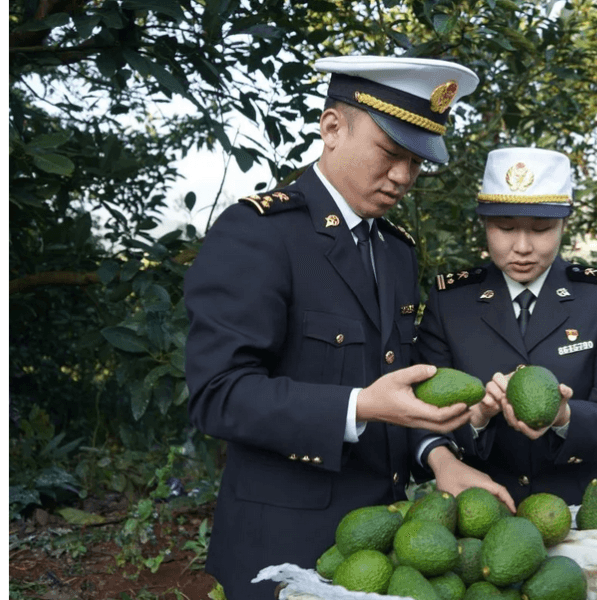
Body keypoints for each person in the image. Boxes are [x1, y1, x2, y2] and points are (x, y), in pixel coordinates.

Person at [184, 56, 513, 600]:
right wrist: (359, 406)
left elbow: (399, 391)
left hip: (383, 547)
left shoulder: (396, 253)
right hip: (284, 547)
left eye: (416, 161)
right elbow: (218, 395)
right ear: (332, 128)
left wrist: (441, 459)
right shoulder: (260, 235)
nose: (404, 176)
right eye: (390, 152)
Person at [415, 147, 597, 507]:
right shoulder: (452, 301)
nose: (522, 247)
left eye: (541, 229)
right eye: (505, 228)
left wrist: (564, 416)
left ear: (564, 225)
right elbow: (420, 414)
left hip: (583, 513)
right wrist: (474, 419)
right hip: (480, 511)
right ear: (485, 224)